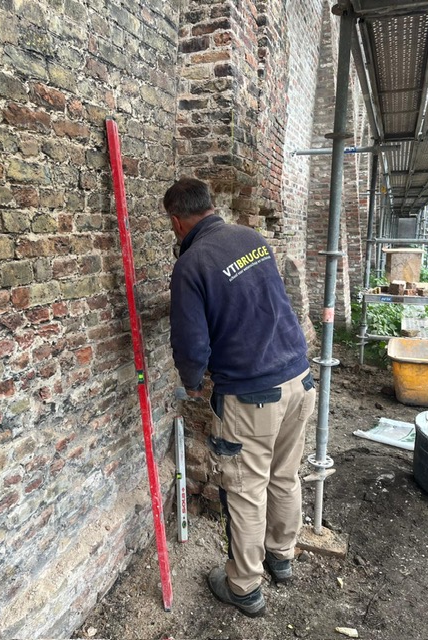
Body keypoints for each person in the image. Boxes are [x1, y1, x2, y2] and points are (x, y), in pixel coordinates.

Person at [163, 177, 316, 618]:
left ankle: (244, 587)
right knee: (285, 476)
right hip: (299, 380)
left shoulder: (191, 264)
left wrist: (192, 383)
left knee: (246, 492)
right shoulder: (251, 238)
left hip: (254, 396)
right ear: (211, 206)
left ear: (177, 221)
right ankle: (281, 558)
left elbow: (191, 345)